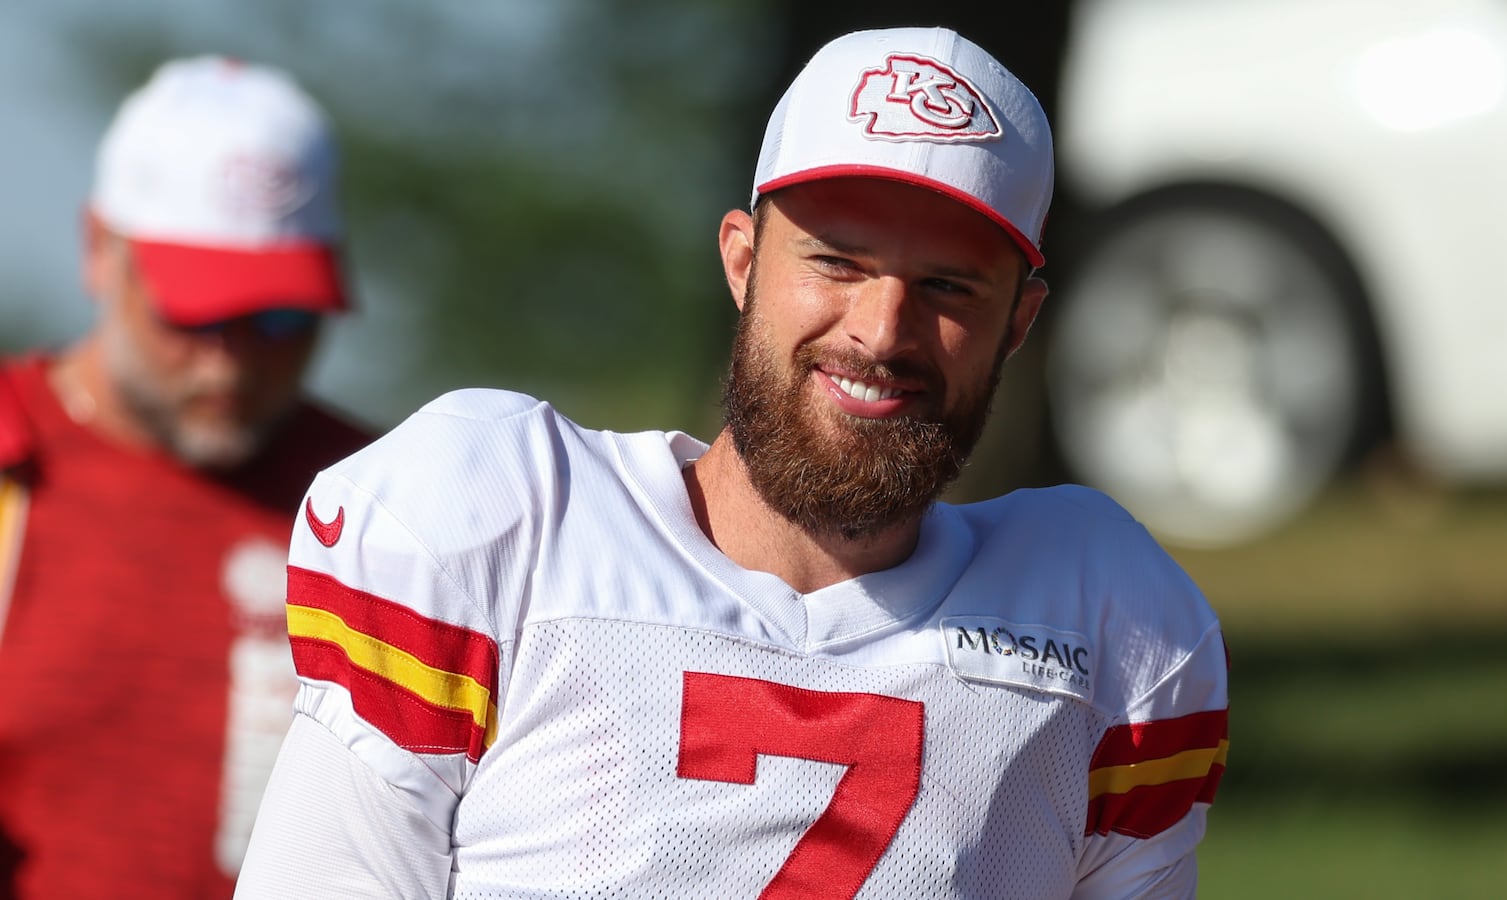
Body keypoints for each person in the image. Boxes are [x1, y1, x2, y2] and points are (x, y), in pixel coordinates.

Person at [236, 26, 1229, 899]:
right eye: (837, 261)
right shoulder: (504, 530)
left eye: (948, 286)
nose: (881, 331)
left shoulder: (1114, 632)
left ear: (1019, 321)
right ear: (743, 261)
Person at [0, 56, 374, 898]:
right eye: (197, 310)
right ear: (99, 250)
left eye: (280, 316)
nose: (231, 359)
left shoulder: (388, 506)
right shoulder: (10, 468)